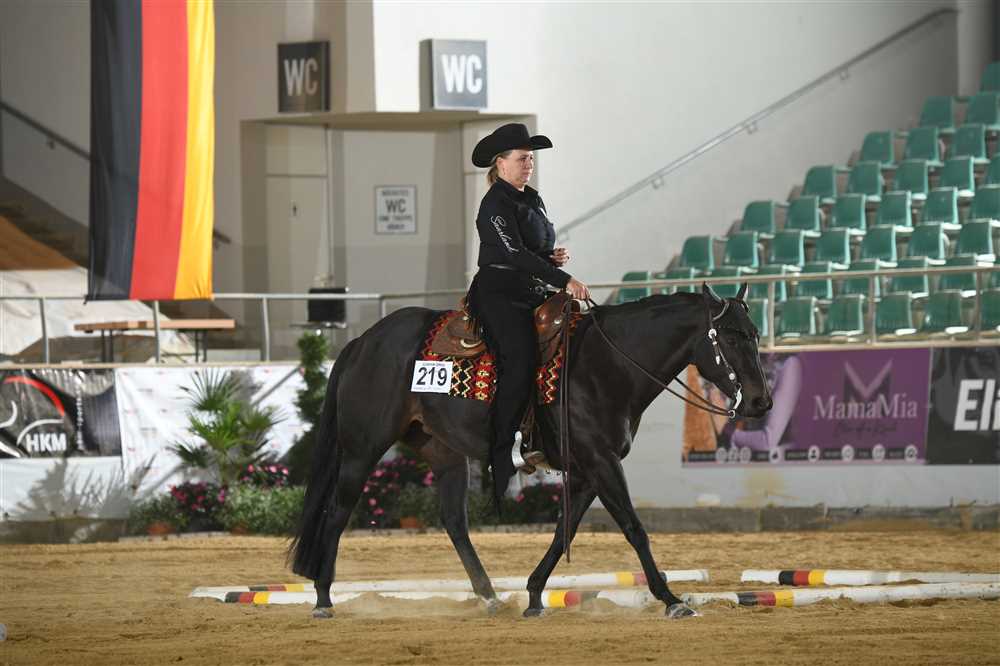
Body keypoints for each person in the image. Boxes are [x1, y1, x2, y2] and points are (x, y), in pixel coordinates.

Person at [465, 123, 590, 506]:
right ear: (501, 163)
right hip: (500, 293)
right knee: (519, 360)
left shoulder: (532, 198)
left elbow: (529, 251)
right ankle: (501, 452)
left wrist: (550, 258)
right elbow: (513, 254)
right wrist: (563, 278)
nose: (528, 164)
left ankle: (547, 432)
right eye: (522, 159)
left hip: (531, 289)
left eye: (531, 159)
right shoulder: (494, 205)